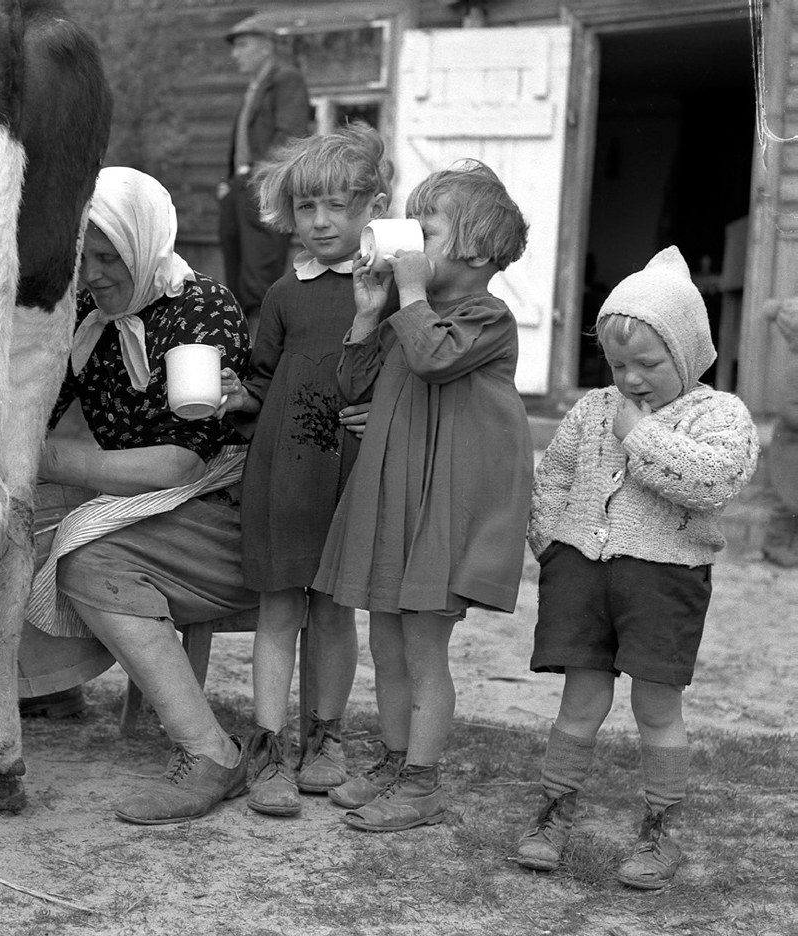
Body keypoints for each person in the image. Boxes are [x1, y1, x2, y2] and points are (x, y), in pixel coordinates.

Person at [0, 167, 260, 824]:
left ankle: (212, 753)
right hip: (144, 492)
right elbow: (27, 420)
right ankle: (39, 685)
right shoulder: (86, 311)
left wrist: (51, 457)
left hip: (221, 508)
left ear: (145, 243)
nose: (91, 273)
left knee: (88, 559)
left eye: (109, 256)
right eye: (80, 257)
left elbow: (177, 461)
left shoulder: (200, 309)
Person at [513, 246, 760, 889]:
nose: (631, 379)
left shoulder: (719, 415)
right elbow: (556, 476)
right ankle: (553, 810)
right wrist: (553, 544)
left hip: (664, 580)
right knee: (580, 698)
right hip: (583, 573)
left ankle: (660, 828)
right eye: (619, 365)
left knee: (656, 704)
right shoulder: (591, 408)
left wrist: (639, 434)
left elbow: (711, 482)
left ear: (685, 353)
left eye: (648, 364)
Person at [313, 160, 535, 832]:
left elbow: (435, 357)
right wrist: (365, 314)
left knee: (423, 650)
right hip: (394, 501)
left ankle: (423, 783)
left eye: (426, 231)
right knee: (386, 643)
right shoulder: (411, 314)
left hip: (439, 512)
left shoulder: (486, 317)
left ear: (472, 248)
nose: (412, 243)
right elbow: (354, 382)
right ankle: (394, 758)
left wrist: (408, 294)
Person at [218, 122, 391, 817]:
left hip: (352, 475)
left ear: (372, 209)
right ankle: (266, 746)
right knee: (279, 608)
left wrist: (383, 416)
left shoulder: (393, 292)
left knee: (334, 611)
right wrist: (237, 395)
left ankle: (326, 739)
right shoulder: (285, 294)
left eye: (336, 207)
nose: (319, 222)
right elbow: (262, 381)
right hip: (283, 474)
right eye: (306, 209)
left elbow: (408, 380)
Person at [217, 16, 311, 337]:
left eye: (243, 45)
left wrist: (257, 178)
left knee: (259, 280)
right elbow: (243, 141)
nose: (236, 54)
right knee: (236, 279)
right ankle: (239, 350)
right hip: (239, 188)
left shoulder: (286, 81)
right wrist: (228, 181)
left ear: (267, 46)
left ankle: (263, 358)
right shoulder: (253, 88)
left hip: (263, 188)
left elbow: (290, 136)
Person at [760, 296, 798, 567]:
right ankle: (774, 545)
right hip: (791, 446)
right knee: (788, 498)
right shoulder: (795, 372)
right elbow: (787, 408)